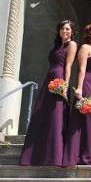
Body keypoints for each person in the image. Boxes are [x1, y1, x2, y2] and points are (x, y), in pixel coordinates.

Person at [20, 20, 77, 166]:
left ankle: (54, 156)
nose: (65, 31)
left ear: (72, 31)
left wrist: (64, 85)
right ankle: (37, 156)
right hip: (49, 80)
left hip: (59, 80)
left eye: (67, 29)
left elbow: (69, 66)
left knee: (56, 116)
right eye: (62, 29)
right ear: (59, 31)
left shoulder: (72, 45)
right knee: (43, 115)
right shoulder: (58, 46)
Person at [62, 22, 91, 166]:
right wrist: (80, 89)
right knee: (86, 118)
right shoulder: (84, 48)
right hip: (87, 85)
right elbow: (82, 70)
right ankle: (81, 154)